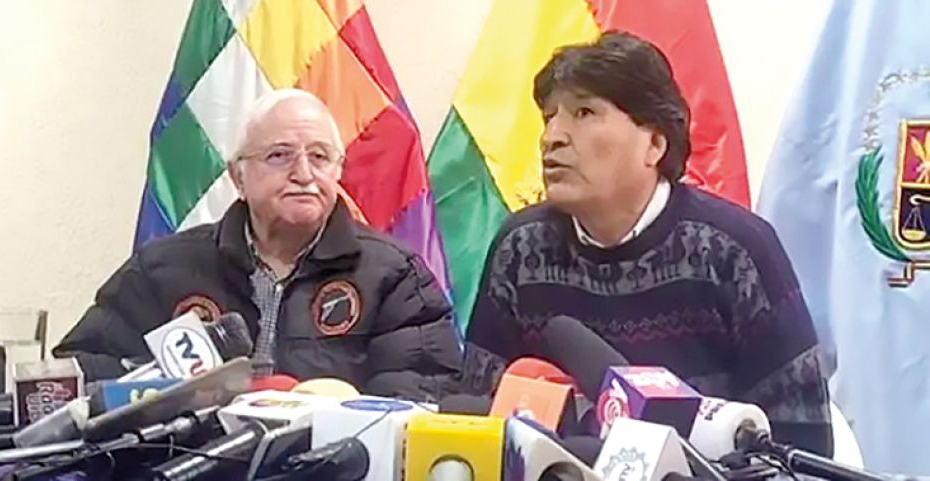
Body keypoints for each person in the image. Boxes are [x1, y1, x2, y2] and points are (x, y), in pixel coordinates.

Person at [462, 31, 833, 455]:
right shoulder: (520, 249)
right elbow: (474, 420)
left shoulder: (734, 250)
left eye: (584, 112)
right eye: (549, 117)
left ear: (654, 144)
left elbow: (802, 442)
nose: (552, 137)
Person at [54, 88, 462, 402]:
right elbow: (83, 374)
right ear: (238, 176)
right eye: (280, 155)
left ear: (338, 171)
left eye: (320, 157)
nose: (304, 174)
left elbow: (423, 398)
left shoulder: (395, 277)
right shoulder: (164, 268)